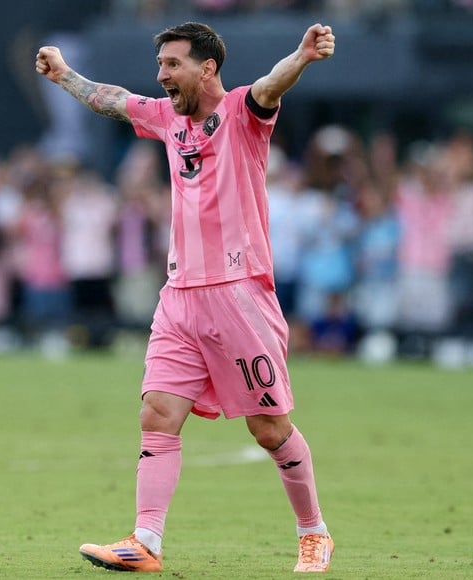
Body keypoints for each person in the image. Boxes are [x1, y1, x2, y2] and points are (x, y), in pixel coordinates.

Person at [36, 21, 336, 573]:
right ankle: (145, 540)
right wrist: (65, 77)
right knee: (157, 413)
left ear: (208, 68)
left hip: (239, 293)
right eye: (161, 66)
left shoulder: (245, 112)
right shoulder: (167, 119)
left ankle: (313, 531)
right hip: (179, 295)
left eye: (173, 65)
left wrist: (302, 56)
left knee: (268, 429)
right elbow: (116, 101)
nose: (162, 76)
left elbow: (273, 82)